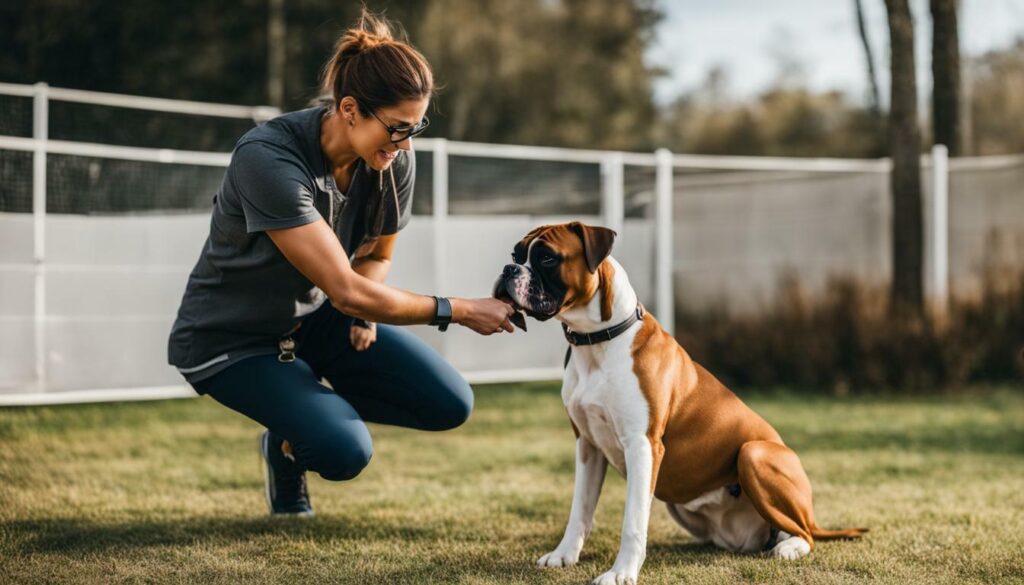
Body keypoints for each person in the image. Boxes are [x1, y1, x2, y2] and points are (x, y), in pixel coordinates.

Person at [167, 10, 515, 517]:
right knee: (344, 450)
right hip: (231, 340)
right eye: (396, 129)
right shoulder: (268, 159)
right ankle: (292, 439)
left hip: (314, 319)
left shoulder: (393, 158)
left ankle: (302, 418)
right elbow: (346, 288)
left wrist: (365, 311)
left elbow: (376, 255)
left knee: (448, 403)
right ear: (350, 109)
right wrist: (458, 309)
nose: (404, 145)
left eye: (414, 128)